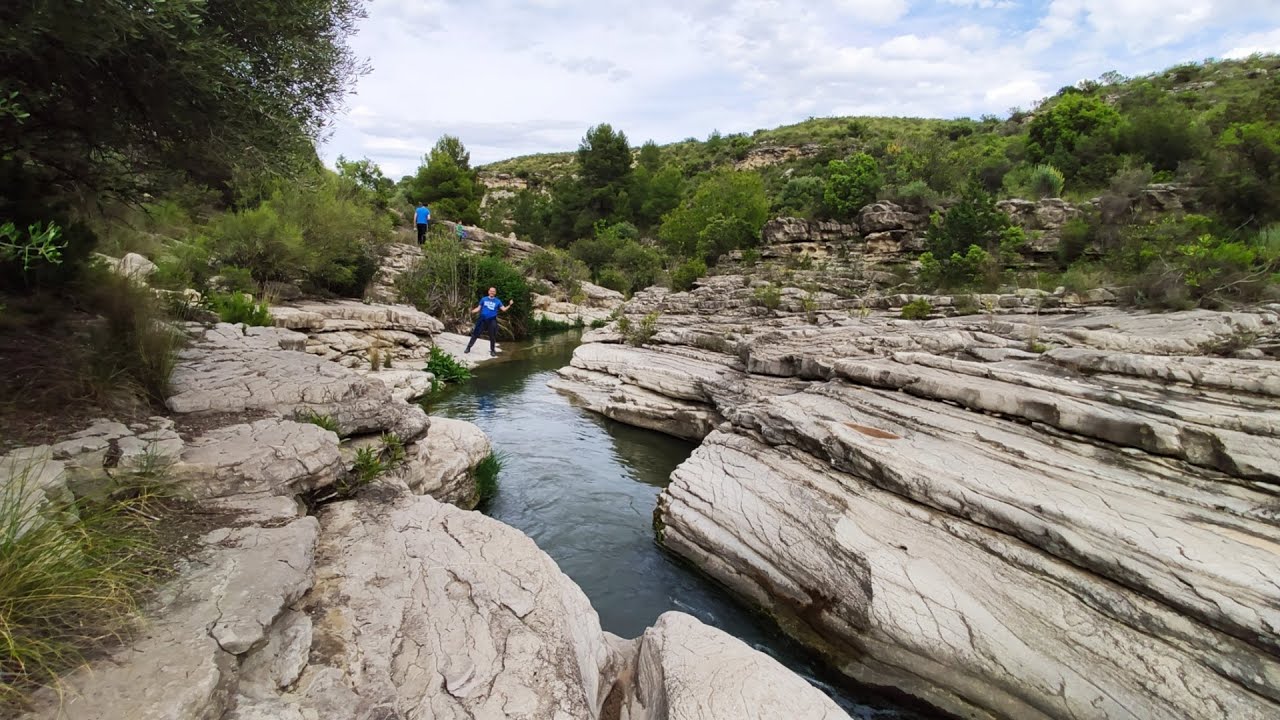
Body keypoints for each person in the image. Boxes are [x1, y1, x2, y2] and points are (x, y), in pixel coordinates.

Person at [465, 286, 513, 356]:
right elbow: (478, 308)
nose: (492, 292)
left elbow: (504, 309)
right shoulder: (484, 299)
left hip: (492, 320)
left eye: (493, 291)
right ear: (488, 292)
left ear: (495, 293)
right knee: (475, 334)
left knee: (492, 336)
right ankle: (468, 347)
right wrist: (472, 311)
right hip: (482, 319)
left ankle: (492, 350)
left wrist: (509, 305)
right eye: (491, 291)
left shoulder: (497, 301)